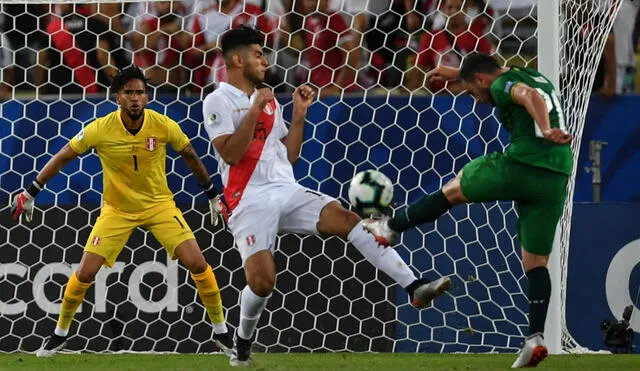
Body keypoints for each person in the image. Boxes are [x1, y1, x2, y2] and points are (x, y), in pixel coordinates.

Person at [201, 26, 450, 367]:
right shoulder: (217, 100)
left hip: (286, 189)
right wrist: (257, 109)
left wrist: (299, 115)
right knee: (262, 282)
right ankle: (243, 340)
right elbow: (229, 154)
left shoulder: (269, 98)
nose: (265, 60)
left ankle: (414, 285)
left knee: (349, 220)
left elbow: (288, 157)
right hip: (247, 198)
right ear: (237, 59)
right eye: (258, 54)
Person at [363, 53, 573, 368]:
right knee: (535, 262)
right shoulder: (526, 73)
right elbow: (509, 80)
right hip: (556, 174)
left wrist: (545, 129)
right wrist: (456, 73)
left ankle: (390, 227)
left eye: (473, 91)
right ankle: (534, 339)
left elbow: (523, 95)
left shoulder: (502, 84)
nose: (477, 100)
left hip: (525, 163)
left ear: (481, 80)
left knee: (456, 187)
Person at [10, 66, 233, 357]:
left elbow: (190, 156)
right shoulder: (99, 129)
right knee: (85, 272)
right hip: (116, 210)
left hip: (159, 205)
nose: (135, 98)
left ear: (147, 96)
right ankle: (59, 335)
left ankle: (222, 333)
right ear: (117, 97)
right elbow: (63, 156)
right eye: (129, 92)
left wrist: (213, 195)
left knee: (198, 264)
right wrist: (31, 191)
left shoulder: (163, 125)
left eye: (140, 92)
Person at [406, 0, 495, 93]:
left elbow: (488, 69)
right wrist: (411, 93)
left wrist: (465, 87)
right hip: (439, 98)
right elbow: (418, 68)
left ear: (465, 11)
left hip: (468, 96)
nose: (454, 11)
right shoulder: (431, 37)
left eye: (458, 8)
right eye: (449, 7)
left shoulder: (477, 37)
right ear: (443, 11)